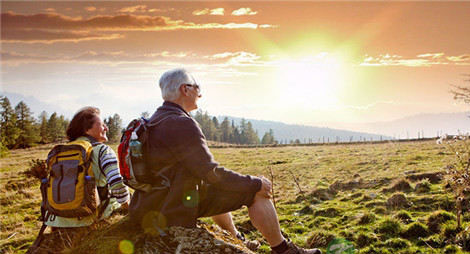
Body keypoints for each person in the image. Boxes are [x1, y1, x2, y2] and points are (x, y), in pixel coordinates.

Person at [129, 68, 320, 254]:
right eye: (196, 86)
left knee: (213, 188)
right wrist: (255, 183)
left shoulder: (153, 121)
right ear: (184, 89)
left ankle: (236, 238)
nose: (199, 93)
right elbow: (211, 173)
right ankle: (283, 250)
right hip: (171, 208)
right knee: (256, 193)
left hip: (148, 205)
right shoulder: (182, 123)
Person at [29, 107, 130, 253]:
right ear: (87, 130)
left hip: (58, 219)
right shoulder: (103, 150)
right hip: (91, 218)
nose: (106, 128)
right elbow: (117, 185)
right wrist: (128, 206)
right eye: (101, 124)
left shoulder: (60, 152)